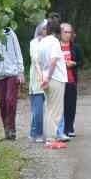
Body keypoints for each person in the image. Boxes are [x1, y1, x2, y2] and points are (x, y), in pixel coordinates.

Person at [0, 24, 24, 140]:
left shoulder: (10, 33)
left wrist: (20, 71)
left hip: (12, 73)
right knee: (2, 103)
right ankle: (6, 129)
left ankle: (12, 129)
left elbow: (18, 51)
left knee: (10, 100)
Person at [34, 15, 68, 148]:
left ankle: (49, 138)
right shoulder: (54, 42)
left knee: (49, 108)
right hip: (55, 78)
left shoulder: (41, 42)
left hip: (45, 78)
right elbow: (54, 60)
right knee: (56, 110)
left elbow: (36, 61)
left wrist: (42, 77)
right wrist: (48, 78)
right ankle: (51, 139)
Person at [27, 19, 49, 142]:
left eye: (47, 28)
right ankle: (37, 133)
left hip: (51, 77)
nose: (46, 31)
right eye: (44, 28)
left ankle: (55, 132)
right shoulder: (33, 43)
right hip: (37, 79)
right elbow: (35, 60)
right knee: (38, 109)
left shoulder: (52, 42)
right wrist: (41, 76)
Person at [59, 22, 80, 139]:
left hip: (71, 79)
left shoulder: (75, 47)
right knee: (59, 105)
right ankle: (60, 129)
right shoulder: (56, 46)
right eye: (65, 32)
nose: (68, 34)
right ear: (60, 33)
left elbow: (81, 62)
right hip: (59, 80)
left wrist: (74, 63)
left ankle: (69, 127)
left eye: (69, 32)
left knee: (70, 105)